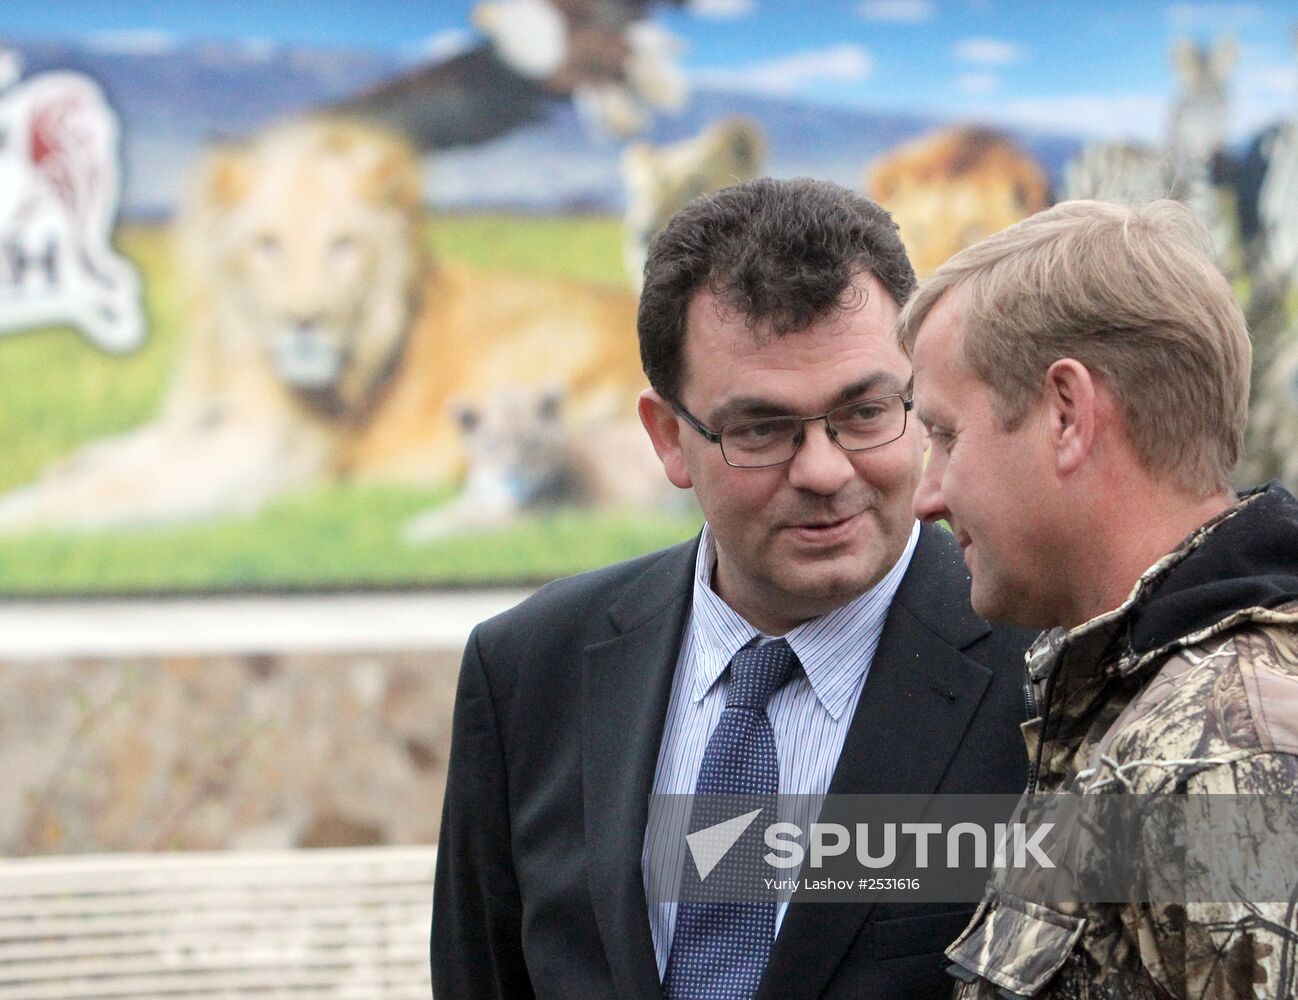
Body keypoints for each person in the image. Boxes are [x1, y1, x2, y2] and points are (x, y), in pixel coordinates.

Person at [431, 177, 1032, 999]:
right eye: (761, 429)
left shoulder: (1051, 674)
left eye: (865, 412)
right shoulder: (528, 671)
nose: (824, 471)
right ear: (668, 438)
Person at [901, 197, 1298, 999]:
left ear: (1067, 414)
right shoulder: (1145, 692)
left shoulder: (1227, 751)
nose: (926, 496)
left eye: (945, 436)